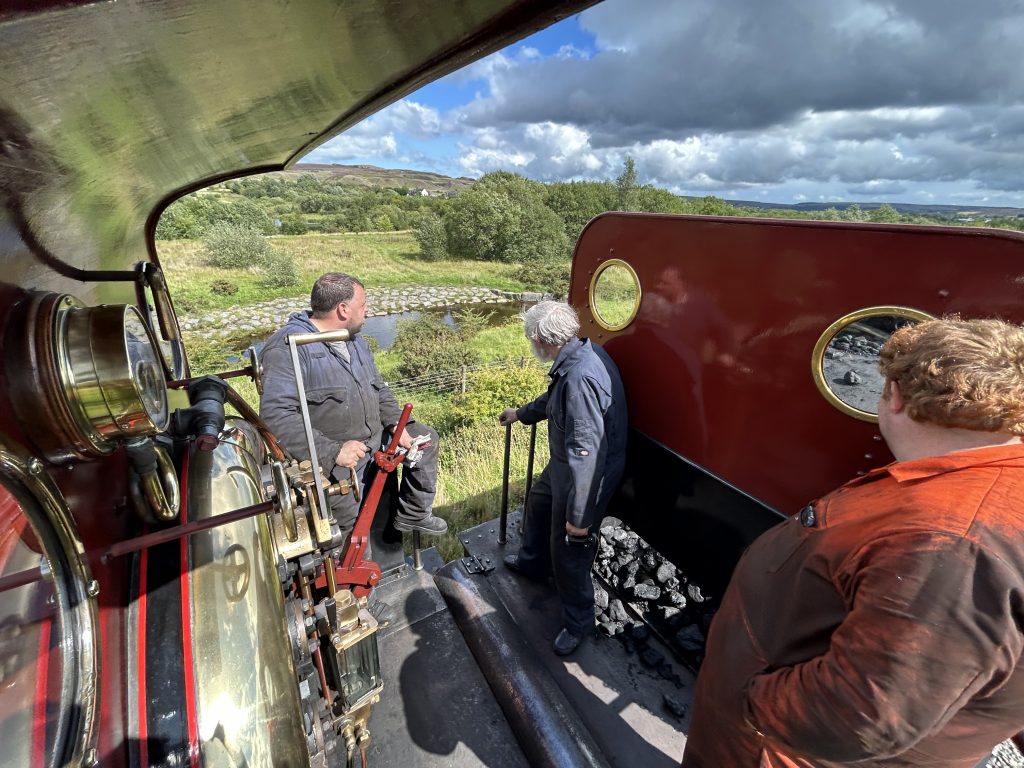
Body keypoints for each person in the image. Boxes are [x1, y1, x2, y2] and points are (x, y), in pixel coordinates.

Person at [683, 317, 1024, 768]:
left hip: (773, 752)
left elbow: (862, 715)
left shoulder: (952, 541)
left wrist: (745, 701)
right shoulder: (983, 489)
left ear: (896, 396)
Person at [259, 272, 447, 544]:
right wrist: (333, 451)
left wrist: (396, 424)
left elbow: (378, 388)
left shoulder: (354, 340)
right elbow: (276, 416)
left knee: (425, 439)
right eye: (363, 305)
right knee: (352, 538)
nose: (368, 311)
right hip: (335, 462)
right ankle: (354, 583)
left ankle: (413, 513)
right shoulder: (289, 347)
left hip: (372, 442)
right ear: (343, 309)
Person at [500, 301, 628, 656]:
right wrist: (522, 414)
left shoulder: (581, 377)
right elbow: (555, 400)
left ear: (542, 339)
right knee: (539, 503)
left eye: (531, 339)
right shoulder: (578, 356)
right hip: (564, 466)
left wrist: (579, 517)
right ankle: (533, 563)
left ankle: (578, 622)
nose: (531, 345)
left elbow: (586, 454)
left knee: (570, 549)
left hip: (583, 476)